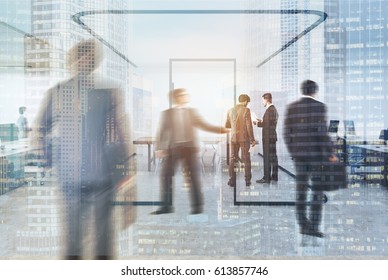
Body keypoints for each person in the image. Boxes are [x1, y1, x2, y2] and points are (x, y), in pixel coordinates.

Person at [33, 39, 132, 259]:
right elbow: (120, 134)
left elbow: (119, 132)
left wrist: (49, 161)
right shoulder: (105, 93)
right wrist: (125, 171)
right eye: (82, 56)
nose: (84, 60)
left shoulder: (64, 93)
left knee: (89, 241)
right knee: (87, 241)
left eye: (87, 57)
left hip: (89, 177)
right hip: (84, 177)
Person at [152, 88, 229, 215]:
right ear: (176, 97)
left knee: (193, 178)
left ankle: (197, 207)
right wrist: (160, 147)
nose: (185, 96)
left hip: (189, 149)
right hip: (174, 149)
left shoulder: (191, 112)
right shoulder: (167, 113)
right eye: (183, 95)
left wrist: (222, 129)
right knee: (165, 176)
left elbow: (204, 125)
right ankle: (166, 206)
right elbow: (162, 131)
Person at [283, 80, 338, 238]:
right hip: (316, 156)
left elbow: (287, 133)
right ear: (315, 91)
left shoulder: (292, 107)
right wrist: (330, 152)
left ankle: (303, 225)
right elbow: (322, 133)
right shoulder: (319, 107)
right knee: (317, 191)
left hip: (300, 156)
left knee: (301, 191)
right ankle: (313, 227)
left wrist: (293, 152)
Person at [225, 94, 256, 187]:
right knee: (246, 159)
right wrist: (252, 139)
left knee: (232, 159)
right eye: (247, 102)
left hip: (233, 138)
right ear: (245, 101)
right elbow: (249, 126)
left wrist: (235, 125)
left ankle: (231, 181)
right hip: (244, 138)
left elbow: (227, 125)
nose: (247, 104)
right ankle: (247, 181)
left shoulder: (230, 110)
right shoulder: (246, 110)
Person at [253, 93, 279, 184]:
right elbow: (269, 122)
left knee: (267, 157)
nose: (262, 102)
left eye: (263, 100)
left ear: (266, 99)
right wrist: (261, 121)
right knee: (273, 157)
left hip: (268, 138)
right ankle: (274, 176)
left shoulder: (269, 110)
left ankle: (266, 178)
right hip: (272, 136)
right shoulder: (274, 109)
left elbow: (267, 125)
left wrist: (257, 123)